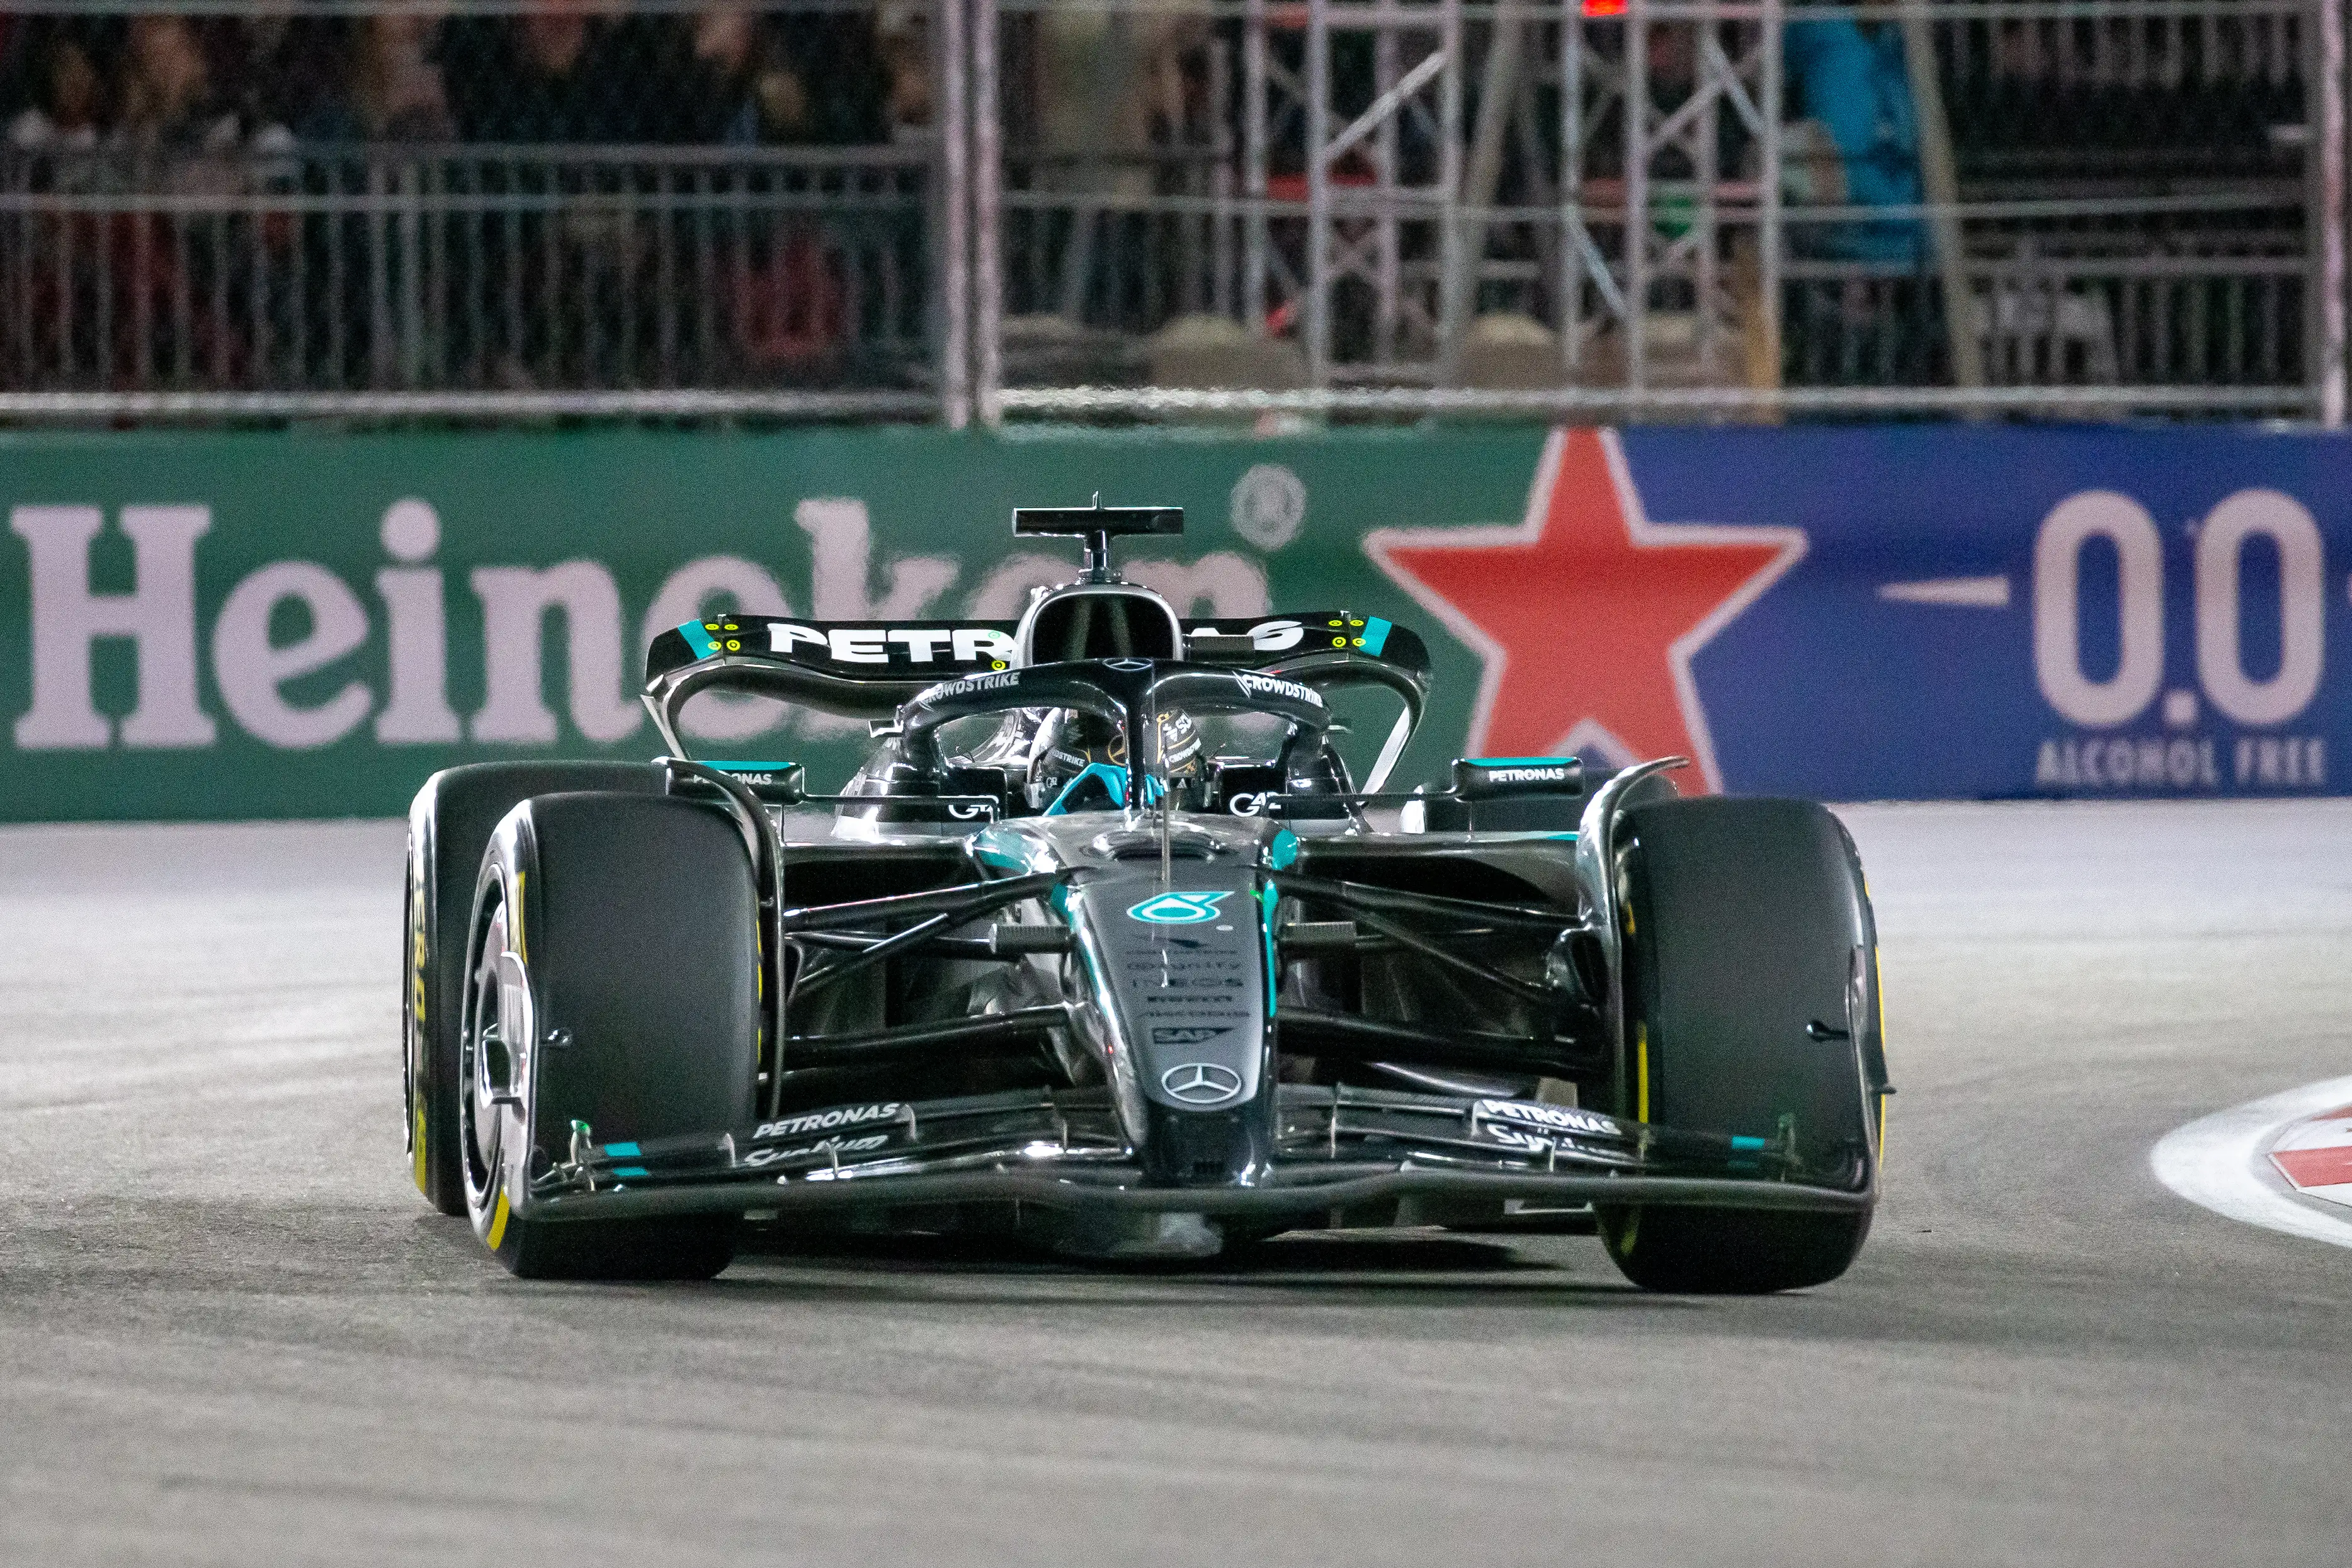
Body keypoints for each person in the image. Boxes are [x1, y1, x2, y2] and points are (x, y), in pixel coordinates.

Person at [1784, 15, 1923, 266]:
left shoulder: (1901, 42)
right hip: (1841, 221)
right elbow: (1761, 72)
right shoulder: (1819, 29)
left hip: (1905, 232)